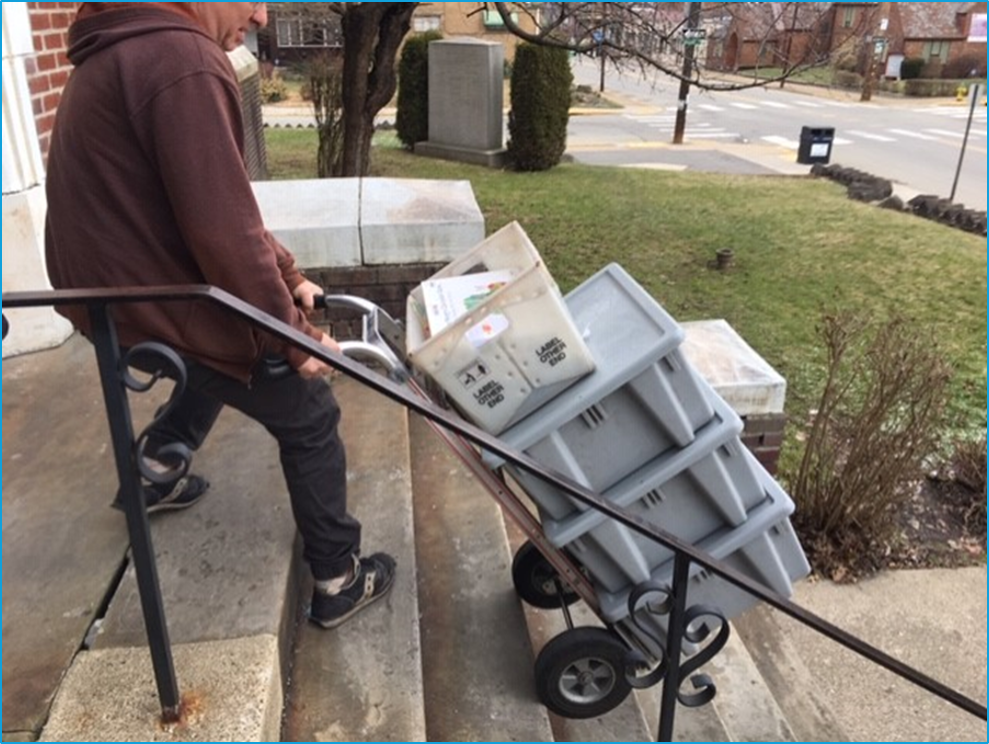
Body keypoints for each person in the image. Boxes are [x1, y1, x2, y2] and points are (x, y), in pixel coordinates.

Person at [44, 2, 394, 630]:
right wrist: (295, 337)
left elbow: (218, 208)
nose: (261, 17)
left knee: (219, 356)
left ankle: (155, 467)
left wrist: (288, 278)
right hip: (147, 304)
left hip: (113, 300)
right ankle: (339, 578)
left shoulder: (126, 47)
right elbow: (227, 233)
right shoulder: (183, 60)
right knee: (306, 408)